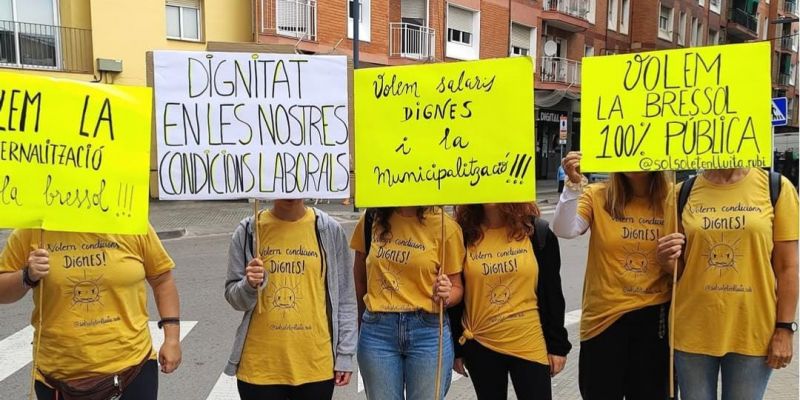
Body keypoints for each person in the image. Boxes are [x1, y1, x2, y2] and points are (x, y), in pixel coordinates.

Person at [658, 168, 799, 400]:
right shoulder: (681, 192)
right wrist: (666, 260)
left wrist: (785, 329)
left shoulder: (777, 188)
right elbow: (679, 270)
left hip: (752, 330)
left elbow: (788, 268)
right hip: (693, 330)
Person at [0, 226, 182, 400]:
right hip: (58, 379)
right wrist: (26, 276)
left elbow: (162, 281)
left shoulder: (131, 223)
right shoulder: (33, 231)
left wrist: (172, 338)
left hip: (133, 371)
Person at [551, 151, 672, 399]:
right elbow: (564, 229)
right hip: (603, 320)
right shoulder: (598, 195)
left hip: (654, 320)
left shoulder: (674, 197)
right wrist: (573, 185)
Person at [224, 199, 357, 400]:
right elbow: (234, 298)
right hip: (259, 368)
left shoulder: (329, 230)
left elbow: (346, 298)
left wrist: (345, 355)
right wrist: (249, 284)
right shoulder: (249, 230)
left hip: (316, 366)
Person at [449, 203, 571, 400]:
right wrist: (457, 348)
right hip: (481, 343)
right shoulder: (461, 235)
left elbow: (552, 293)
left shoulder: (536, 232)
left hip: (529, 341)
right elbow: (457, 292)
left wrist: (557, 345)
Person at [352, 206, 465, 400]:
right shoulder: (372, 219)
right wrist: (361, 322)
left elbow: (457, 288)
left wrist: (447, 294)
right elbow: (360, 278)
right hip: (378, 332)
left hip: (428, 332)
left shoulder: (446, 226)